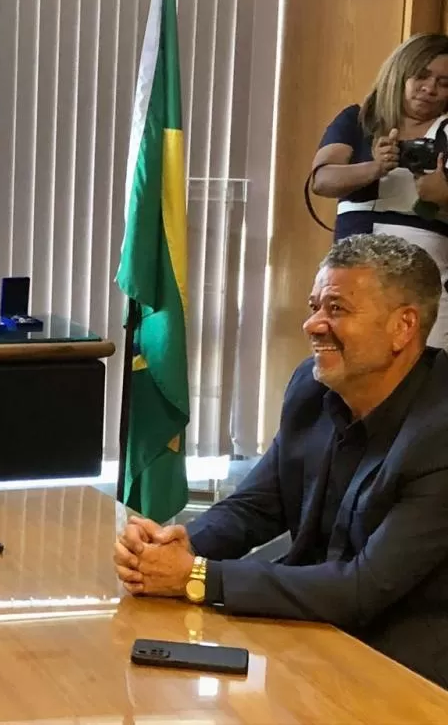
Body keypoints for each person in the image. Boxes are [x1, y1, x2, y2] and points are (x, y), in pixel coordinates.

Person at [113, 234, 448, 689]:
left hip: (404, 667)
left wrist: (196, 576)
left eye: (336, 309)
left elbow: (363, 588)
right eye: (314, 306)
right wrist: (180, 545)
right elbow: (257, 505)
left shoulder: (439, 430)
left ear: (403, 327)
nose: (312, 324)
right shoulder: (312, 390)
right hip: (307, 638)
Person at [310, 33, 448, 346]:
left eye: (444, 82)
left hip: (427, 269)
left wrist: (443, 197)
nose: (430, 89)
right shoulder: (359, 120)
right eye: (421, 76)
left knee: (425, 371)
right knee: (348, 355)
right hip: (353, 265)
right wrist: (375, 167)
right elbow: (321, 180)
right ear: (400, 72)